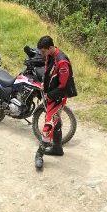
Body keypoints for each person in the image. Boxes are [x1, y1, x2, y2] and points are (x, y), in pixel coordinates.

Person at [34, 36, 75, 170]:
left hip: (58, 97)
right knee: (56, 123)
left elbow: (63, 85)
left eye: (44, 51)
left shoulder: (62, 61)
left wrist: (50, 94)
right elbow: (49, 73)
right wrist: (44, 86)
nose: (42, 54)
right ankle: (57, 148)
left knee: (49, 124)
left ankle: (39, 154)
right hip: (51, 95)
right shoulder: (50, 56)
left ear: (51, 48)